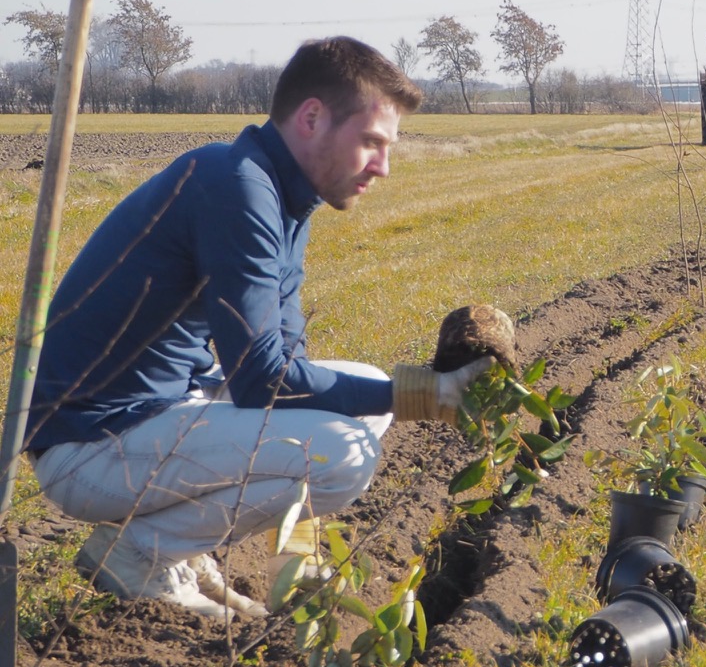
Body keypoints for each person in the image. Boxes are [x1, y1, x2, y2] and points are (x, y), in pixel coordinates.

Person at [28, 38, 497, 621]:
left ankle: (269, 562)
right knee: (346, 454)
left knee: (365, 393)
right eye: (372, 142)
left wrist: (397, 393)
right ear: (311, 117)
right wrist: (423, 393)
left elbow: (285, 354)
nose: (382, 167)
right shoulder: (237, 188)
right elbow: (261, 382)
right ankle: (140, 554)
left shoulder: (279, 197)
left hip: (154, 420)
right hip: (90, 449)